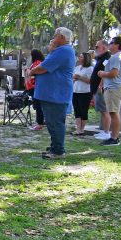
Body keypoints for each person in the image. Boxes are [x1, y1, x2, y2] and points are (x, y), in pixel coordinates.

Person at [29, 27, 77, 159]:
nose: (53, 38)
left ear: (62, 37)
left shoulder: (64, 50)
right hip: (51, 93)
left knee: (55, 122)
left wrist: (31, 71)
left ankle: (58, 150)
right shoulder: (59, 50)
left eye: (55, 35)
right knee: (51, 121)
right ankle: (55, 145)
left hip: (56, 94)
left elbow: (43, 68)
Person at [97, 36, 121, 146]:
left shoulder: (116, 57)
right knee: (112, 112)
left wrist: (102, 73)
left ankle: (114, 138)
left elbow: (114, 73)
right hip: (112, 88)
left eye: (112, 43)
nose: (110, 44)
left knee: (114, 113)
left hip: (114, 88)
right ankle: (113, 136)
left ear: (117, 45)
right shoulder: (115, 57)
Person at [90, 39, 112, 139]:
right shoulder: (100, 58)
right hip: (95, 87)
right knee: (102, 111)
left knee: (105, 110)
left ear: (104, 47)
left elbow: (105, 72)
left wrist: (100, 85)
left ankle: (107, 132)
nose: (95, 49)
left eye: (97, 47)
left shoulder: (107, 57)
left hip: (101, 88)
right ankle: (104, 130)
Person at [71, 51, 94, 136]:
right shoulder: (77, 67)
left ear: (85, 59)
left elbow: (90, 81)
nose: (79, 58)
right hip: (75, 90)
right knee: (76, 110)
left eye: (81, 57)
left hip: (85, 92)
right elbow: (73, 77)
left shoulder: (90, 69)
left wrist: (79, 77)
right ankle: (78, 128)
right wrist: (74, 79)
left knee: (83, 110)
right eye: (79, 57)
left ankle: (82, 129)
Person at [25, 48, 46, 131]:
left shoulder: (38, 63)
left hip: (35, 87)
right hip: (32, 87)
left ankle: (40, 123)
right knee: (37, 105)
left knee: (38, 106)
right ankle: (40, 122)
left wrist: (27, 70)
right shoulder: (35, 63)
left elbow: (33, 73)